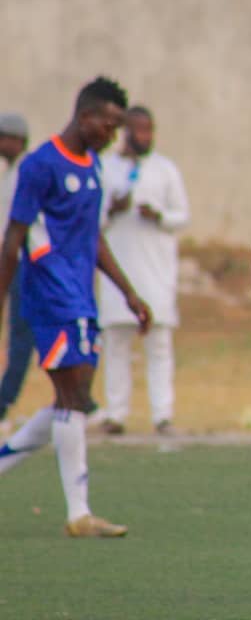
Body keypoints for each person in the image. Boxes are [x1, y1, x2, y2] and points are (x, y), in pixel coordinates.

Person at [0, 77, 151, 537]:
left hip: (82, 295)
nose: (113, 134)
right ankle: (79, 514)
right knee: (72, 397)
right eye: (109, 125)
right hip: (49, 292)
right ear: (85, 117)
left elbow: (93, 236)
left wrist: (128, 292)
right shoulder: (40, 165)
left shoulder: (92, 166)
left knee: (75, 398)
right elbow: (13, 239)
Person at [98, 106, 190, 436]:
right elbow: (92, 220)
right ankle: (116, 415)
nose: (145, 136)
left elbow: (182, 216)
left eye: (149, 130)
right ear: (125, 132)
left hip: (156, 274)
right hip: (118, 275)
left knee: (159, 347)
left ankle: (162, 416)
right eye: (139, 130)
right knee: (116, 347)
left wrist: (159, 216)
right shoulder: (106, 168)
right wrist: (113, 209)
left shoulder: (165, 170)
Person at [0, 112, 32, 433]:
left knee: (22, 332)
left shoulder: (27, 172)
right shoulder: (7, 174)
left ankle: (3, 401)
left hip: (24, 262)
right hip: (7, 261)